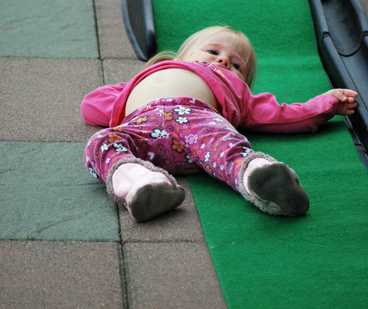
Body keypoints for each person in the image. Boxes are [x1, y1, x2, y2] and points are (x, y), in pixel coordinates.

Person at [81, 25, 358, 222]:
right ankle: (143, 184)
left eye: (237, 66)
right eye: (212, 50)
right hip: (143, 128)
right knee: (100, 143)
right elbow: (91, 105)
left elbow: (284, 114)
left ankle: (260, 177)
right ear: (182, 54)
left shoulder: (235, 92)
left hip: (198, 120)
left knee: (225, 145)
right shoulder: (149, 75)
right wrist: (130, 91)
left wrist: (327, 104)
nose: (224, 60)